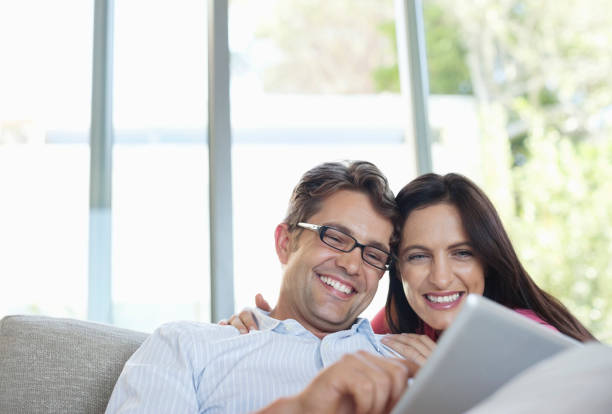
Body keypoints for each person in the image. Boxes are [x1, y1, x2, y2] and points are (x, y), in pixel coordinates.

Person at [105, 160, 419, 414]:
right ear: (285, 243)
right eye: (335, 238)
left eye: (374, 255)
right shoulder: (186, 347)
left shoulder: (408, 365)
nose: (352, 266)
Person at [227, 173, 595, 365]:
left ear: (488, 258)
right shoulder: (401, 325)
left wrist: (443, 381)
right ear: (395, 265)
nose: (440, 277)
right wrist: (260, 325)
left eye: (462, 253)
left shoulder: (527, 338)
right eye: (418, 256)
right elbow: (327, 337)